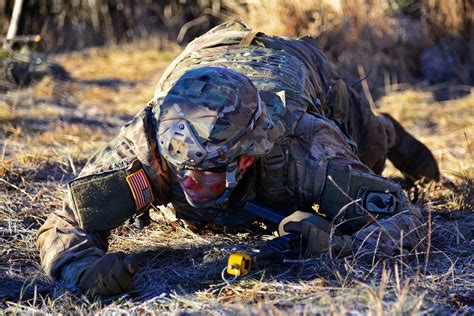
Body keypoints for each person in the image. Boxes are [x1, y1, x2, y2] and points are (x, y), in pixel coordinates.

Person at [37, 21, 439, 296]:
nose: (188, 185)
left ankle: (388, 128)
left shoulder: (306, 145)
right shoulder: (153, 143)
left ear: (246, 160)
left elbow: (404, 220)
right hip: (202, 57)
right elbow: (66, 221)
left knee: (371, 147)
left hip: (295, 65)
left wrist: (341, 245)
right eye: (180, 172)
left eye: (205, 174)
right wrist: (80, 269)